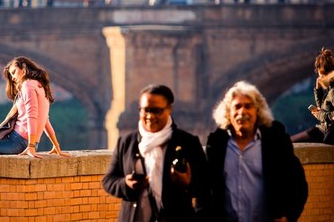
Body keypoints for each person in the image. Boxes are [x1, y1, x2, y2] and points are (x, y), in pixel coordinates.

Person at [102, 84, 210, 221]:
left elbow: (205, 187)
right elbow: (109, 181)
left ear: (169, 109)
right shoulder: (126, 143)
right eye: (145, 110)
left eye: (156, 111)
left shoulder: (187, 142)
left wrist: (187, 183)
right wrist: (126, 184)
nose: (150, 116)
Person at [206, 81, 308, 222]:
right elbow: (205, 191)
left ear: (258, 111)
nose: (242, 112)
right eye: (237, 107)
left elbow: (298, 184)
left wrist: (287, 216)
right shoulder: (216, 144)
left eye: (248, 106)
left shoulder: (276, 141)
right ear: (228, 113)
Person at [0, 56, 69, 158]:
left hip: (16, 141)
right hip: (31, 143)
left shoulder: (27, 85)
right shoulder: (40, 86)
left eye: (14, 72)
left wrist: (30, 146)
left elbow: (32, 115)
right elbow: (45, 120)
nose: (12, 78)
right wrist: (56, 146)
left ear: (24, 68)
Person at [291, 48, 334, 144]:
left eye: (321, 76)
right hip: (322, 129)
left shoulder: (333, 91)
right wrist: (318, 90)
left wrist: (319, 115)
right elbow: (321, 107)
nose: (320, 78)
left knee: (288, 144)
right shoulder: (329, 89)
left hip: (326, 132)